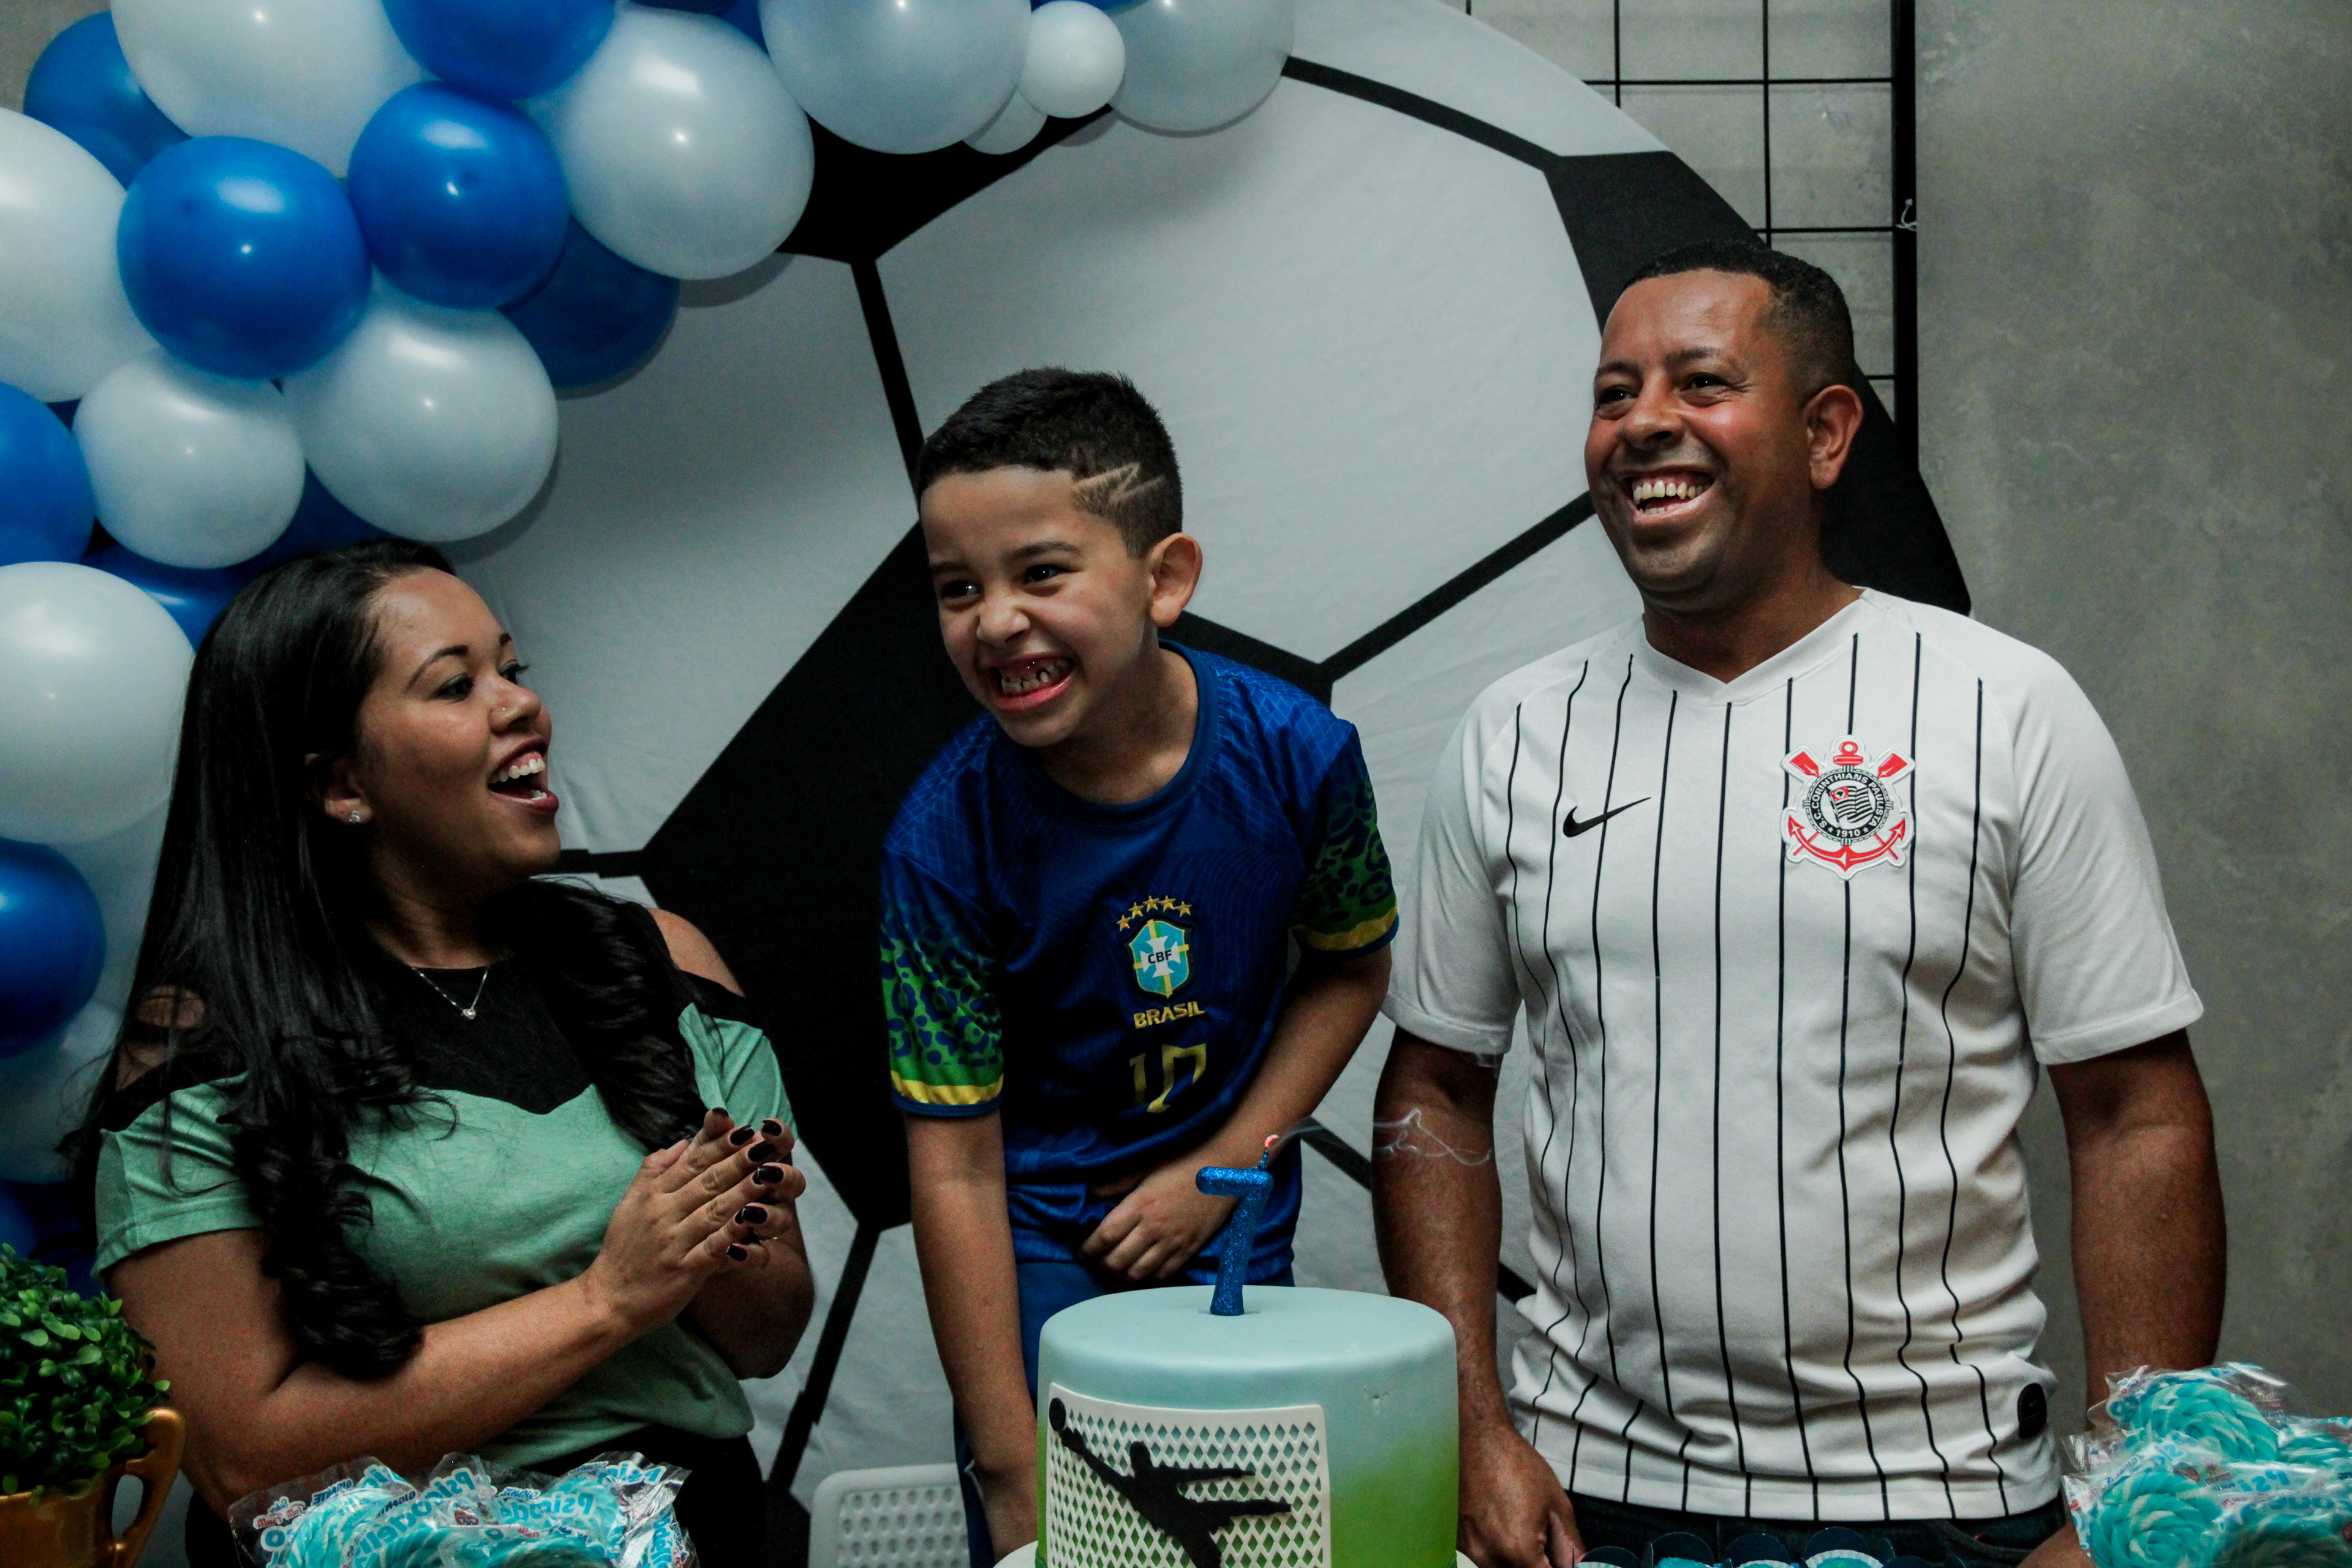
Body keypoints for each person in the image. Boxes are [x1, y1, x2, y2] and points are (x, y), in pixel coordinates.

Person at [1372, 241, 2223, 1567]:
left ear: (1827, 433)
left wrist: (2129, 1502)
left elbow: (2136, 1112)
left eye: (1700, 382)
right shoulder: (1512, 733)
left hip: (1944, 1497)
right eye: (1613, 392)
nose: (1643, 421)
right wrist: (1475, 1422)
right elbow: (1433, 1083)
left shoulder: (2004, 707)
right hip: (1585, 1501)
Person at [77, 541, 815, 1567]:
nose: (521, 706)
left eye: (512, 669)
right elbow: (243, 1459)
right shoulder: (202, 1045)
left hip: (692, 1532)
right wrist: (607, 1300)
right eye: (457, 685)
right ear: (340, 783)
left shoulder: (665, 963)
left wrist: (723, 1241)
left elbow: (767, 1338)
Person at [881, 369, 1400, 1565]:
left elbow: (1351, 968)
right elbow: (954, 1162)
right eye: (958, 587)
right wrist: (1009, 1468)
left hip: (1226, 1229)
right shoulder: (942, 840)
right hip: (1041, 1259)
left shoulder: (1302, 756)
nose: (994, 618)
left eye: (1040, 572)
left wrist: (1221, 1163)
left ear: (1164, 577)